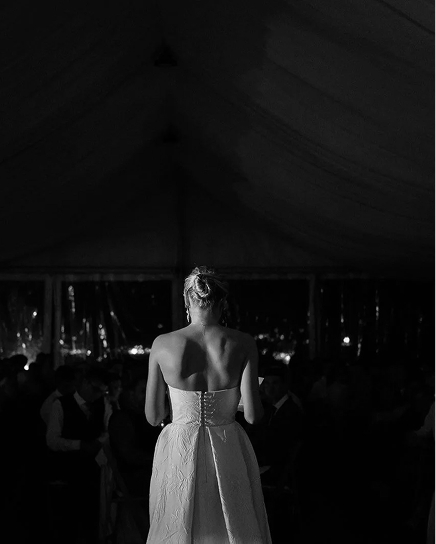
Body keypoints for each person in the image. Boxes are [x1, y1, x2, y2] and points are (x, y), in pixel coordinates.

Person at [145, 266, 272, 543]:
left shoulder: (162, 344)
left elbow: (154, 416)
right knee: (231, 524)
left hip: (179, 446)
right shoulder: (243, 343)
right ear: (222, 302)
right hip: (227, 445)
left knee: (179, 524)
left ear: (186, 300)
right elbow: (253, 416)